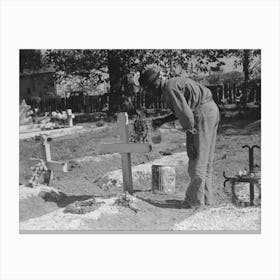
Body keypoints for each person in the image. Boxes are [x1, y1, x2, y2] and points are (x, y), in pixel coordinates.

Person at [139, 68, 220, 207]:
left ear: (154, 84)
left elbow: (187, 117)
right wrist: (162, 120)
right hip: (211, 110)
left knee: (197, 161)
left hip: (201, 114)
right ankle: (206, 200)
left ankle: (193, 201)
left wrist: (190, 137)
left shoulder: (170, 88)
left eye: (148, 90)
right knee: (206, 162)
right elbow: (183, 109)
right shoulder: (173, 84)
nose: (150, 94)